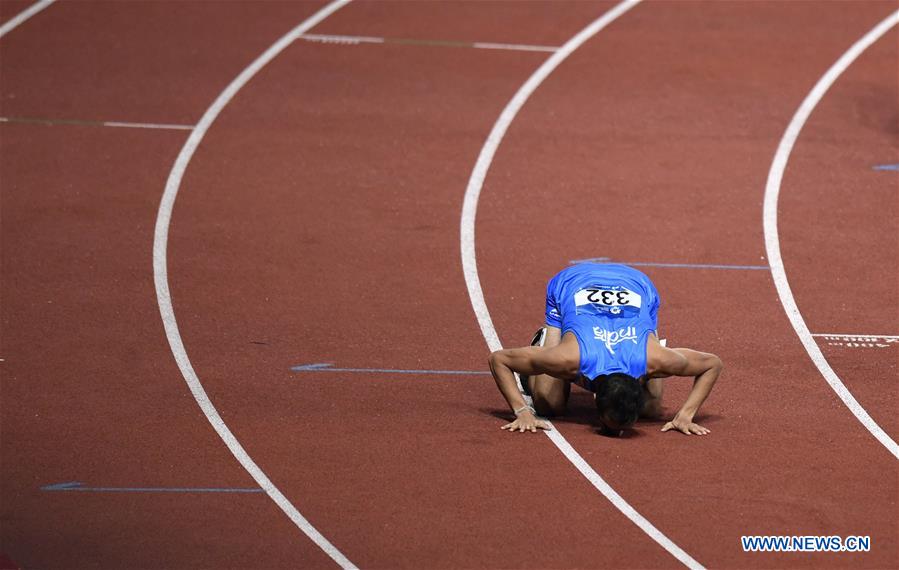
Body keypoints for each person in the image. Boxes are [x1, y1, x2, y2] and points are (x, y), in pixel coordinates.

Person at [487, 263, 723, 436]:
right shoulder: (568, 358)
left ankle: (648, 336)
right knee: (549, 405)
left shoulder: (654, 360)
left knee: (651, 409)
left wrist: (685, 414)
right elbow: (499, 359)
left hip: (637, 284)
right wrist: (522, 411)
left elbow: (713, 363)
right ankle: (544, 339)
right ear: (595, 397)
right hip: (571, 282)